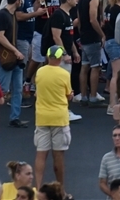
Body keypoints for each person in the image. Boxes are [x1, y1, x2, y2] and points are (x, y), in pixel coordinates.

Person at [33, 45, 74, 188]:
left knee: (41, 154)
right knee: (58, 155)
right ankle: (60, 189)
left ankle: (38, 188)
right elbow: (68, 95)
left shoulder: (40, 72)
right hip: (59, 118)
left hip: (42, 117)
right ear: (60, 57)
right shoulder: (64, 74)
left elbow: (38, 92)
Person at [0, 0, 27, 128]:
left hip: (14, 57)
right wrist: (15, 51)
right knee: (3, 90)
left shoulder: (12, 15)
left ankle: (15, 117)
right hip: (6, 56)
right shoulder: (3, 15)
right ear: (17, 0)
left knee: (17, 89)